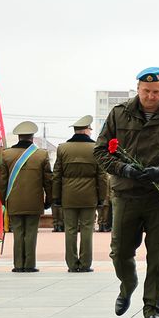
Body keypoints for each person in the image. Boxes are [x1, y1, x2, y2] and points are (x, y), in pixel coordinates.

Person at [95, 67, 159, 318]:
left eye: (157, 92)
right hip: (126, 194)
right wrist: (122, 168)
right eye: (147, 91)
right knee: (120, 252)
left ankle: (153, 307)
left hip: (158, 197)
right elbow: (101, 152)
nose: (151, 96)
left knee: (158, 254)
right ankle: (128, 283)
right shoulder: (119, 114)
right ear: (138, 89)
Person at [0, 121, 51, 272]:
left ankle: (18, 265)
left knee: (18, 233)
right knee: (31, 233)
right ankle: (29, 264)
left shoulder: (6, 154)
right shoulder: (41, 154)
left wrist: (5, 200)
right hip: (34, 201)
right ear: (32, 137)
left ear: (18, 137)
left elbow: (2, 182)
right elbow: (48, 181)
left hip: (13, 201)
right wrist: (49, 200)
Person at [53, 115, 104, 272]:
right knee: (87, 229)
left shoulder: (63, 148)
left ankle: (71, 264)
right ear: (87, 130)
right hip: (89, 196)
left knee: (70, 230)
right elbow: (101, 177)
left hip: (68, 195)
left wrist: (56, 197)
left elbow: (57, 175)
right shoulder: (95, 148)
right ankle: (85, 264)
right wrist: (102, 198)